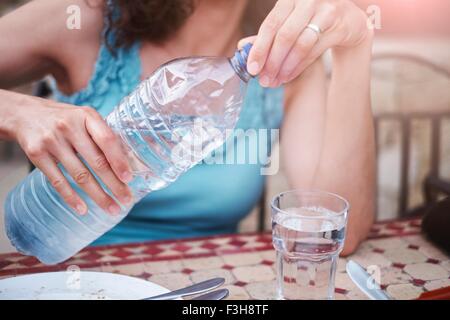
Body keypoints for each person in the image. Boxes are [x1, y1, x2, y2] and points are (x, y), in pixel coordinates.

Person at [0, 0, 375, 255]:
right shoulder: (83, 15)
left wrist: (355, 46)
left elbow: (338, 233)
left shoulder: (285, 64)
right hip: (71, 280)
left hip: (202, 292)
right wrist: (16, 111)